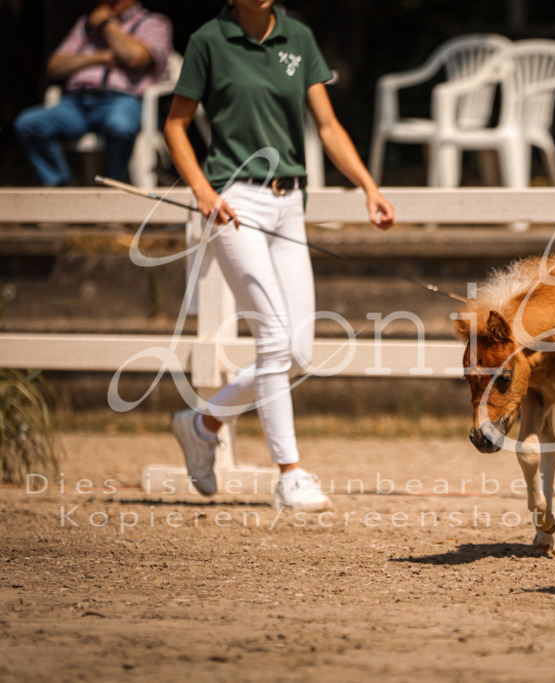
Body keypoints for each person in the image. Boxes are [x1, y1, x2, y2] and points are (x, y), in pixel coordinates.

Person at [163, 0, 395, 512]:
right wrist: (202, 190)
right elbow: (176, 125)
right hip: (234, 199)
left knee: (298, 353)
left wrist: (367, 185)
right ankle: (290, 474)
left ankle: (201, 425)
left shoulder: (299, 37)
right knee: (271, 339)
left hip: (291, 202)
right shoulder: (209, 41)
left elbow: (328, 126)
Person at [13, 0, 172, 186]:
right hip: (77, 103)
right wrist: (100, 58)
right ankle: (61, 189)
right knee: (29, 124)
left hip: (122, 100)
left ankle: (113, 187)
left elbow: (135, 57)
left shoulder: (153, 22)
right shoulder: (86, 25)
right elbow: (55, 66)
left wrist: (107, 25)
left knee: (120, 126)